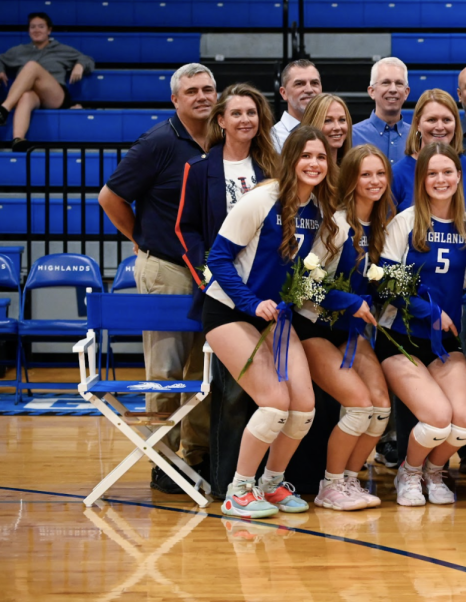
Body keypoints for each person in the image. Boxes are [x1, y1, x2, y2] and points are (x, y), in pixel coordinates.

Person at [201, 126, 351, 517]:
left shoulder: (319, 210)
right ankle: (238, 490)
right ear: (290, 160)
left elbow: (306, 280)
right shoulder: (262, 200)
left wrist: (350, 303)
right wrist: (251, 303)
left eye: (321, 157)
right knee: (273, 404)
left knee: (304, 407)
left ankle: (271, 483)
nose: (315, 164)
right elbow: (217, 259)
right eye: (306, 156)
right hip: (229, 311)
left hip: (275, 315)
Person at [98, 63, 217, 495]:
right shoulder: (159, 142)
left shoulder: (221, 138)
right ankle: (161, 461)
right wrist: (140, 237)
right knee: (166, 369)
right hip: (166, 267)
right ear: (175, 99)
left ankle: (195, 454)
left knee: (201, 369)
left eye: (208, 89)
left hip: (208, 271)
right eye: (192, 91)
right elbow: (109, 197)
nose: (202, 96)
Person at [386, 88, 466, 477]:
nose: (441, 179)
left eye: (448, 172)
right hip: (401, 330)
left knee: (463, 421)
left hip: (445, 335)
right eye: (433, 173)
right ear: (420, 177)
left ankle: (434, 470)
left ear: (459, 176)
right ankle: (410, 471)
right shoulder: (404, 221)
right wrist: (426, 309)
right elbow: (385, 278)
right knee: (436, 417)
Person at [293, 144, 395, 510]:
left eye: (380, 173)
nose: (374, 181)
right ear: (350, 179)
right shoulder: (335, 224)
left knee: (381, 407)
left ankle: (351, 481)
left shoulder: (384, 224)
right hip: (313, 326)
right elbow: (302, 285)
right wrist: (350, 302)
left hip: (351, 332)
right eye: (365, 174)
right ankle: (329, 485)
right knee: (359, 405)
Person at [176, 83, 278, 320]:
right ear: (221, 121)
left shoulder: (275, 167)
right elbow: (185, 229)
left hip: (263, 281)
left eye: (251, 113)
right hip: (221, 283)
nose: (245, 119)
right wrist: (207, 276)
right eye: (236, 113)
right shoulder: (198, 168)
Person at [0, 12, 94, 151]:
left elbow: (88, 59)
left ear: (49, 30)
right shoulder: (19, 51)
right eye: (32, 27)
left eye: (41, 26)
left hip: (54, 95)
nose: (36, 30)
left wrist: (80, 65)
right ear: (28, 30)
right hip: (32, 95)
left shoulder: (61, 49)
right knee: (25, 95)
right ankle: (18, 139)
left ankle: (3, 110)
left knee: (31, 66)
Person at [390, 89, 466, 220]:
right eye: (432, 120)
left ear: (456, 124)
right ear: (418, 124)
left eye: (447, 120)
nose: (440, 127)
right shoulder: (397, 173)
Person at [351, 57, 411, 164]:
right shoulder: (352, 136)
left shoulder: (417, 137)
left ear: (406, 92)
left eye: (399, 83)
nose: (393, 89)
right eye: (386, 83)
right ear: (372, 91)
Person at [271, 60, 322, 151]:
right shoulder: (272, 139)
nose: (309, 90)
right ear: (284, 93)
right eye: (299, 84)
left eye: (314, 83)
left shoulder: (331, 131)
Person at [301, 93, 353, 165]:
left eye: (342, 120)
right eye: (328, 120)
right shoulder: (303, 171)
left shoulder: (352, 172)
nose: (337, 127)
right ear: (312, 124)